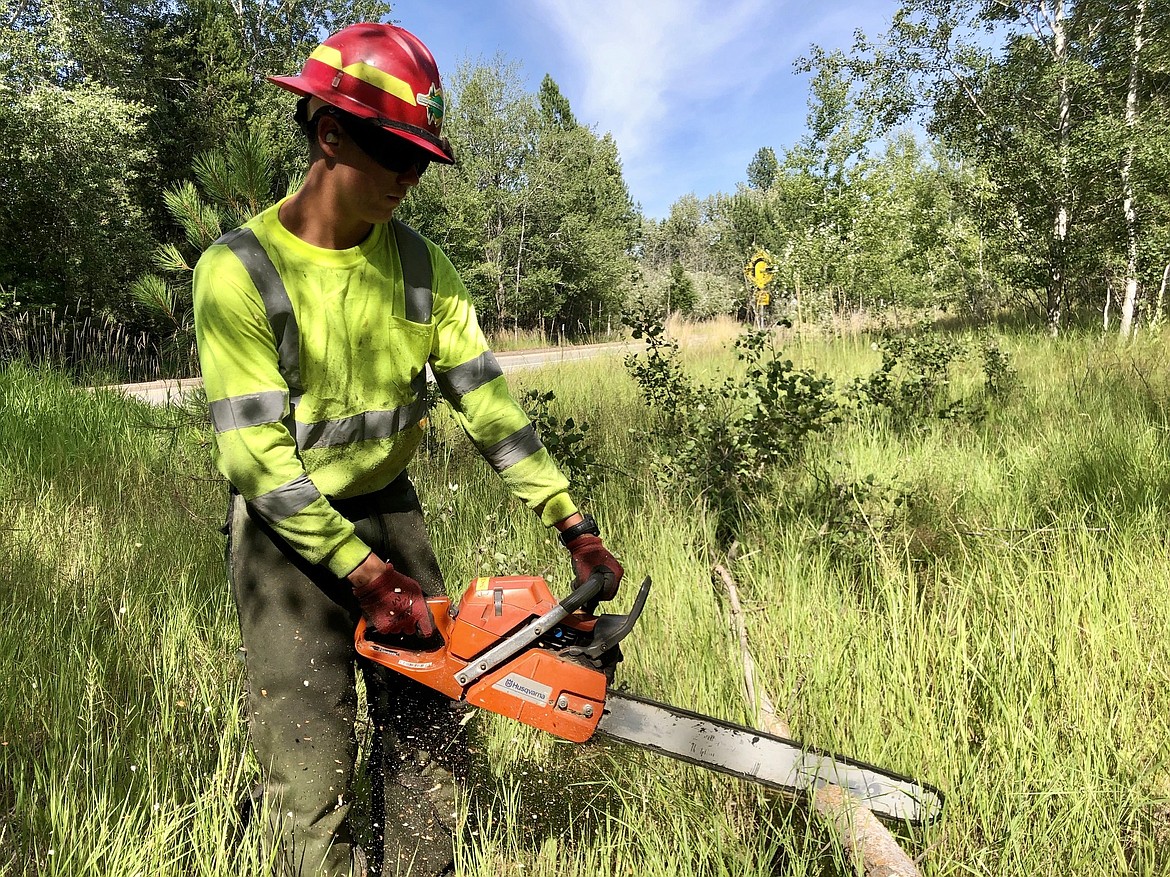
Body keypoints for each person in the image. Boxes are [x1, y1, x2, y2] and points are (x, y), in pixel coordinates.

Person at [191, 22, 623, 877]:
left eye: (422, 158)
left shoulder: (426, 269)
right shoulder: (238, 271)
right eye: (395, 152)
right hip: (286, 544)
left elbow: (492, 411)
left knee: (430, 745)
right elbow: (257, 463)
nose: (410, 177)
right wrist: (361, 574)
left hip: (393, 517)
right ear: (329, 132)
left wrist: (575, 523)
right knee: (310, 769)